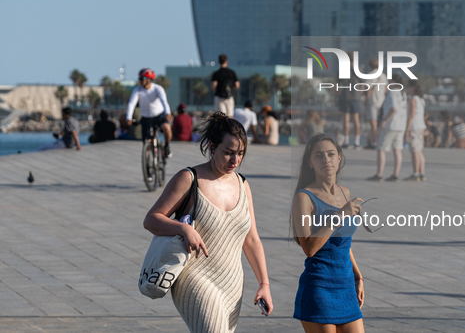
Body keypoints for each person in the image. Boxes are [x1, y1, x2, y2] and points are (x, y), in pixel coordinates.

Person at [143, 112, 273, 331]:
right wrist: (183, 228)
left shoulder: (243, 185)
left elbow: (251, 240)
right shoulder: (189, 178)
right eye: (228, 152)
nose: (235, 160)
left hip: (232, 282)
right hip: (195, 277)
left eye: (240, 153)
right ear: (212, 148)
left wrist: (264, 284)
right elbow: (151, 220)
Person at [291, 134, 365, 332]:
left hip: (346, 285)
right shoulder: (303, 197)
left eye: (331, 154)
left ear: (339, 158)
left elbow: (343, 243)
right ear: (310, 162)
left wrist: (358, 276)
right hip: (319, 287)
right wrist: (339, 216)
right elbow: (309, 247)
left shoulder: (344, 193)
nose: (326, 159)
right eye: (319, 155)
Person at [367, 74, 407, 182]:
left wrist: (384, 120)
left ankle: (379, 174)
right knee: (397, 150)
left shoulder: (393, 92)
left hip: (390, 125)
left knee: (381, 149)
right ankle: (395, 174)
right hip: (401, 125)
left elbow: (393, 108)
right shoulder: (403, 93)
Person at [126, 68, 173, 157]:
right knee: (146, 142)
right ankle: (148, 166)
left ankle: (167, 146)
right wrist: (128, 118)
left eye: (142, 78)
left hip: (159, 115)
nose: (140, 80)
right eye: (139, 78)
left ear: (149, 79)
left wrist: (168, 113)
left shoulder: (157, 89)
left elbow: (164, 101)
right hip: (146, 118)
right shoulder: (137, 90)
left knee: (166, 127)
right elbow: (131, 104)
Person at [339, 52, 363, 149]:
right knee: (356, 120)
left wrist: (337, 96)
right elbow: (362, 83)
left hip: (345, 96)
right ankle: (357, 142)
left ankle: (347, 141)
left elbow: (338, 84)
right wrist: (359, 93)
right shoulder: (358, 69)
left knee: (346, 120)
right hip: (355, 97)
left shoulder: (342, 68)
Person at [404, 80, 427, 181]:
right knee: (419, 151)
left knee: (414, 151)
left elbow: (411, 115)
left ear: (412, 88)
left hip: (414, 127)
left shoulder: (413, 99)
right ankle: (422, 173)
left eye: (408, 87)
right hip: (421, 126)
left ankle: (415, 173)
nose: (406, 89)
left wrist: (407, 130)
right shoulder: (421, 99)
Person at [364, 58, 387, 149]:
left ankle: (373, 142)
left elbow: (368, 89)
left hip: (373, 102)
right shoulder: (383, 75)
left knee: (373, 124)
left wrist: (366, 100)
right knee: (379, 123)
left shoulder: (370, 75)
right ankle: (377, 140)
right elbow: (386, 88)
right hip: (382, 102)